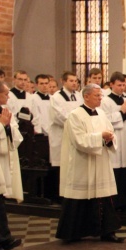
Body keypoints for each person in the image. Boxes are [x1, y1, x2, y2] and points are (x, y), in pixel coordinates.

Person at [55, 84, 122, 243]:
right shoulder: (75, 115)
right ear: (86, 96)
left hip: (100, 161)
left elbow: (111, 132)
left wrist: (110, 138)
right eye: (97, 96)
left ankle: (107, 232)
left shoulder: (101, 113)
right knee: (79, 197)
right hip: (83, 162)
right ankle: (72, 233)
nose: (100, 98)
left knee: (104, 196)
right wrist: (101, 136)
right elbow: (79, 140)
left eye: (101, 95)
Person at [0, 80, 23, 250]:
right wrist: (1, 125)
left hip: (1, 162)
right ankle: (3, 239)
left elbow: (16, 135)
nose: (8, 96)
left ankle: (3, 239)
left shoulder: (5, 111)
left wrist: (6, 126)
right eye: (6, 93)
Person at [49, 72, 83, 201]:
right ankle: (58, 196)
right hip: (61, 134)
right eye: (71, 81)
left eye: (76, 81)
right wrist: (77, 122)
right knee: (60, 164)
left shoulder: (79, 96)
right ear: (63, 81)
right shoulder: (56, 97)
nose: (74, 83)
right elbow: (59, 116)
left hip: (75, 134)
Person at [101, 72, 126, 210]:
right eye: (119, 85)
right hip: (114, 136)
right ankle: (113, 202)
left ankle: (124, 200)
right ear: (111, 84)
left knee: (125, 169)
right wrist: (121, 113)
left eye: (123, 84)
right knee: (114, 169)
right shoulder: (105, 101)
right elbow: (105, 118)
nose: (122, 87)